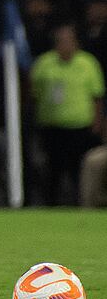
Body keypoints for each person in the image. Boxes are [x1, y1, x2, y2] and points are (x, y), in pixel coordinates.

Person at [30, 24, 104, 205]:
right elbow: (34, 93)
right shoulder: (44, 63)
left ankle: (82, 204)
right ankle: (51, 205)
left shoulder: (87, 63)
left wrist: (98, 122)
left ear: (76, 43)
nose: (63, 45)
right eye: (60, 42)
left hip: (80, 127)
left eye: (67, 41)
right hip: (52, 127)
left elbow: (97, 96)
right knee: (52, 170)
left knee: (78, 171)